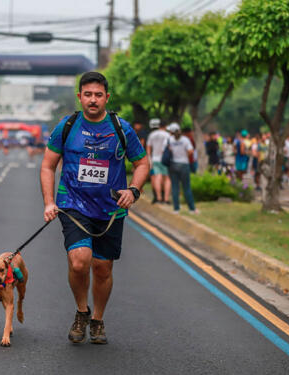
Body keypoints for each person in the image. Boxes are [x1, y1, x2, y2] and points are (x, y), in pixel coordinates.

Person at [40, 71, 149, 345]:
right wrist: (49, 202)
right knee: (79, 261)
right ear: (79, 97)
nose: (92, 100)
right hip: (73, 204)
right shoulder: (67, 126)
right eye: (87, 94)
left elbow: (142, 164)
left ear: (106, 98)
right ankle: (81, 311)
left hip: (110, 208)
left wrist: (133, 190)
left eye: (98, 95)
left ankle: (97, 319)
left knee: (102, 268)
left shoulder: (122, 129)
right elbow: (47, 166)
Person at [167, 123, 197, 214]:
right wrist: (185, 156)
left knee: (175, 187)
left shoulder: (170, 140)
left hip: (173, 164)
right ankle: (191, 209)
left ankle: (176, 209)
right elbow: (191, 151)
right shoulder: (185, 140)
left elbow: (167, 150)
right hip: (184, 164)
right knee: (186, 187)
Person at [147, 120, 171, 203]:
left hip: (155, 158)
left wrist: (149, 159)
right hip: (165, 159)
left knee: (157, 177)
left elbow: (149, 148)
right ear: (165, 126)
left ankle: (159, 197)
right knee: (167, 178)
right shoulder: (168, 135)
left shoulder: (152, 134)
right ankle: (166, 199)